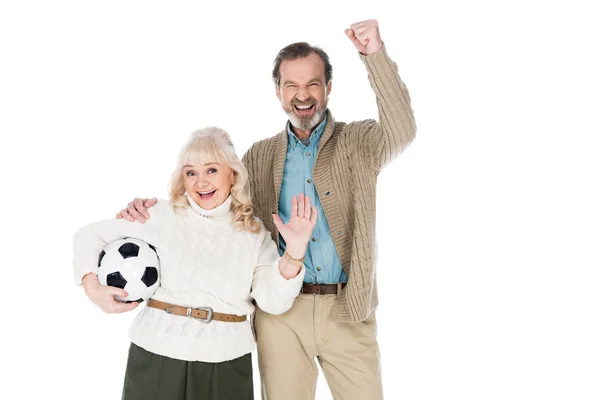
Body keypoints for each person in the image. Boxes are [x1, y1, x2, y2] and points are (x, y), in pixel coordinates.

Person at [117, 19, 416, 400]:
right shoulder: (259, 156)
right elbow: (218, 207)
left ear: (328, 88)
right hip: (280, 316)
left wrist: (374, 55)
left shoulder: (359, 142)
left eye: (312, 84)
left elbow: (402, 129)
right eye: (291, 85)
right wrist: (153, 207)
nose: (302, 94)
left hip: (347, 308)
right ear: (278, 92)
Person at [74, 127, 318, 400]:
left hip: (226, 365)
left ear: (232, 174)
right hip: (157, 357)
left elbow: (273, 301)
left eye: (211, 170)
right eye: (191, 172)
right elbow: (89, 236)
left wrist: (295, 251)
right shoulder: (158, 214)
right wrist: (93, 289)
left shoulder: (254, 234)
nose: (200, 182)